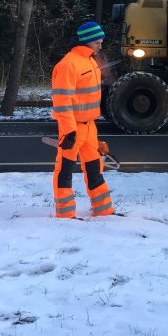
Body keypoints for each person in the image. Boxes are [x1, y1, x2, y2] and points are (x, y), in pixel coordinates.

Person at [51, 21, 114, 218]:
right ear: (86, 42)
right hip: (73, 127)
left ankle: (103, 210)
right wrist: (69, 130)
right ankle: (65, 213)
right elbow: (62, 101)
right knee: (65, 169)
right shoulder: (68, 64)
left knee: (95, 166)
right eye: (97, 42)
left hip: (89, 125)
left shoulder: (89, 61)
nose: (100, 46)